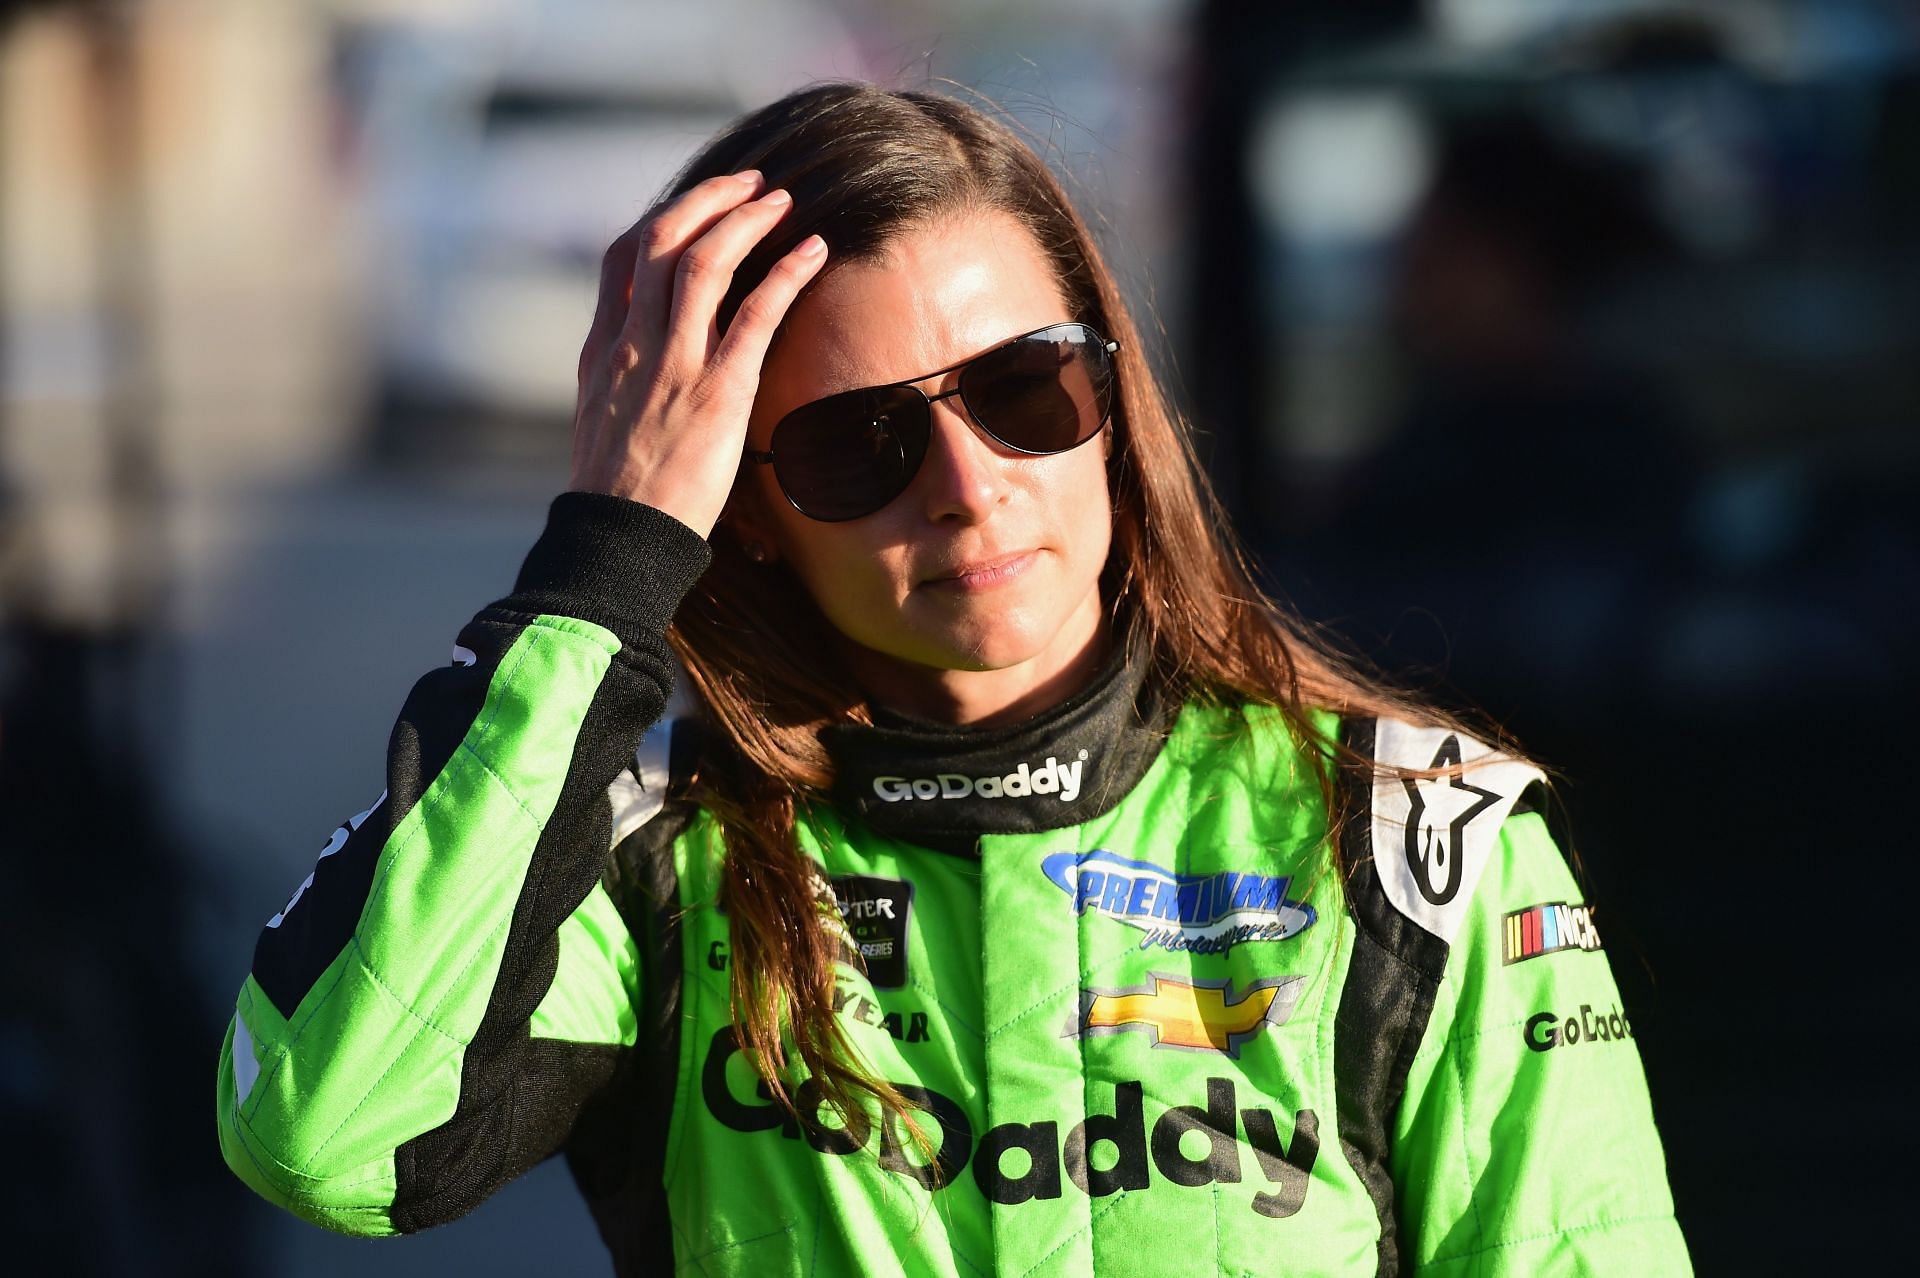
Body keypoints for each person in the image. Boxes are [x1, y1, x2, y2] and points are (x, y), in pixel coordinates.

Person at [215, 83, 1690, 1276]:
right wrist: (606, 565)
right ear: (748, 512)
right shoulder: (657, 861)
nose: (970, 488)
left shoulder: (1413, 840)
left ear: (1114, 404)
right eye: (858, 447)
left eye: (1022, 387)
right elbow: (327, 1133)